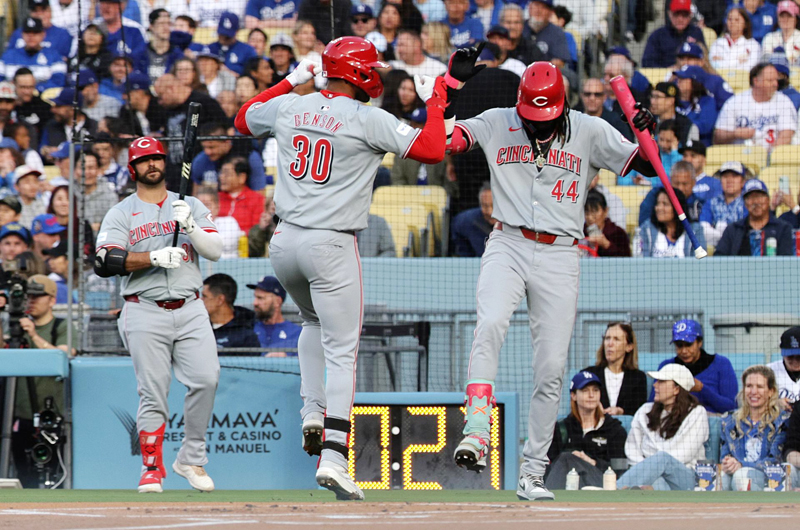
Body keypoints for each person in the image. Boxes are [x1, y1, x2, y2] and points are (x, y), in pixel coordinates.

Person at [234, 35, 450, 500]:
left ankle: (312, 410)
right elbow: (433, 149)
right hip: (331, 243)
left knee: (311, 321)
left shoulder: (293, 105)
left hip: (284, 242)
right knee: (343, 350)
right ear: (362, 74)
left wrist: (289, 81)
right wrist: (436, 100)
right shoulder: (367, 117)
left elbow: (242, 118)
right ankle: (334, 455)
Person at [446, 59, 658, 501]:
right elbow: (440, 140)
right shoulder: (496, 121)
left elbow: (646, 166)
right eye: (531, 116)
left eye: (546, 116)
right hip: (506, 240)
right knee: (490, 325)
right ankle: (477, 429)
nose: (538, 125)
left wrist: (643, 129)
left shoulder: (589, 129)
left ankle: (533, 471)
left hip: (561, 250)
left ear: (561, 106)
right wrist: (448, 85)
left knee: (551, 368)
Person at [93, 136, 223, 494]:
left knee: (207, 379)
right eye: (143, 160)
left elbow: (216, 250)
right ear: (133, 168)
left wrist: (192, 227)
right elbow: (104, 261)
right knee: (153, 392)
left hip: (191, 305)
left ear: (165, 164)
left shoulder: (190, 204)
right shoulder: (121, 211)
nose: (151, 164)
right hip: (143, 309)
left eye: (156, 158)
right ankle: (151, 468)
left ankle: (191, 458)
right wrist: (152, 258)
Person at [617, 364, 709, 490]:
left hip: (685, 478)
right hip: (651, 477)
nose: (655, 385)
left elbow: (683, 455)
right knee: (657, 483)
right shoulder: (644, 411)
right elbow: (632, 449)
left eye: (661, 381)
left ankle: (613, 490)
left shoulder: (697, 413)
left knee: (663, 458)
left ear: (677, 389)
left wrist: (652, 464)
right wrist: (650, 472)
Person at [544, 371, 628, 490]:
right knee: (566, 459)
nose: (591, 395)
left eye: (595, 390)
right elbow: (550, 467)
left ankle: (547, 500)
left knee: (567, 457)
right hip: (568, 484)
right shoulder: (561, 429)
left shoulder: (614, 429)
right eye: (585, 391)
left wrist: (590, 461)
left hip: (601, 483)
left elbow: (619, 470)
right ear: (573, 395)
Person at [720, 366, 790, 491]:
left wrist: (741, 465)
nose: (753, 391)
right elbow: (725, 454)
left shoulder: (782, 421)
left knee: (741, 476)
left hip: (768, 477)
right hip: (736, 474)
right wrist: (727, 463)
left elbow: (775, 460)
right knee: (721, 477)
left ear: (771, 391)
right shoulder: (729, 420)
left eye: (759, 387)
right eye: (749, 386)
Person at [651, 319, 738, 414]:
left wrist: (702, 389)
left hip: (711, 421)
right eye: (679, 346)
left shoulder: (721, 364)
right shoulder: (667, 367)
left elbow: (731, 408)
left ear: (699, 342)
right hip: (673, 420)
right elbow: (652, 403)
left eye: (689, 345)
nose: (684, 351)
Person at [715, 63, 797, 149]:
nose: (775, 84)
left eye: (776, 80)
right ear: (756, 81)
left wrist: (770, 156)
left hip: (772, 156)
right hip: (739, 156)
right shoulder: (734, 103)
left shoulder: (784, 101)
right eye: (770, 81)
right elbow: (718, 138)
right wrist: (734, 134)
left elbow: (786, 135)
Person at [716, 178, 795, 256]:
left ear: (768, 200)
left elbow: (786, 261)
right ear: (745, 203)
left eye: (760, 196)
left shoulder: (783, 228)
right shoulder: (733, 229)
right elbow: (718, 258)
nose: (756, 202)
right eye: (751, 198)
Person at [583, 322, 647, 415]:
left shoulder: (638, 377)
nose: (610, 344)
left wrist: (622, 412)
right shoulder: (589, 374)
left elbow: (639, 412)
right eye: (607, 338)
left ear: (629, 347)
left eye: (616, 339)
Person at [190, 121, 268, 192]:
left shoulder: (251, 157)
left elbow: (259, 193)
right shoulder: (199, 161)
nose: (207, 152)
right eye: (204, 147)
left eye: (212, 147)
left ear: (226, 142)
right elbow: (196, 194)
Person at [0, 17, 66, 91]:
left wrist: (34, 90)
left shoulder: (54, 56)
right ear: (22, 34)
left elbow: (58, 82)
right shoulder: (8, 56)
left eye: (35, 32)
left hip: (43, 99)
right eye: (27, 32)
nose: (31, 36)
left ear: (43, 34)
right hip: (13, 99)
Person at [640, 188, 706, 258]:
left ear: (677, 208)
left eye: (665, 204)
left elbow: (700, 262)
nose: (659, 208)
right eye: (657, 203)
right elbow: (641, 261)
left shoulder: (695, 230)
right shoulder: (646, 229)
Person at [202, 273, 260, 351]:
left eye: (204, 296)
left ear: (220, 300)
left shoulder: (246, 333)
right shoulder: (198, 327)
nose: (200, 300)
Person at [641, 0, 705, 68]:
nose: (680, 19)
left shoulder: (696, 32)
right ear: (669, 14)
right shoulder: (658, 35)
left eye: (684, 15)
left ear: (690, 16)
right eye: (676, 14)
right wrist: (667, 71)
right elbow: (647, 62)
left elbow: (704, 58)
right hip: (664, 76)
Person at [248, 275, 302, 355]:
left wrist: (285, 360)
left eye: (260, 298)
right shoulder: (249, 329)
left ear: (277, 301)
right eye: (255, 297)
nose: (255, 303)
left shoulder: (297, 333)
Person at [699, 161, 748, 247]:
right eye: (725, 176)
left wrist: (718, 230)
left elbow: (745, 231)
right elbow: (703, 229)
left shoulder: (748, 202)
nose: (729, 180)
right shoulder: (711, 202)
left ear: (743, 181)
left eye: (734, 176)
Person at [638, 160, 701, 225]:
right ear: (670, 181)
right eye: (677, 183)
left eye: (685, 184)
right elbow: (643, 224)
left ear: (693, 183)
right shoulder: (655, 196)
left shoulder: (698, 203)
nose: (680, 188)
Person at [217, 156, 266, 234]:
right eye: (221, 173)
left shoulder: (257, 200)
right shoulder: (215, 198)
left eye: (227, 174)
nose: (221, 177)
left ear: (242, 177)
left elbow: (257, 231)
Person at [672, 66, 717, 146]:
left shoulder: (707, 100)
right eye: (678, 78)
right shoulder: (671, 99)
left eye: (682, 79)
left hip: (700, 146)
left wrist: (679, 126)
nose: (678, 81)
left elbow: (705, 126)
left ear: (694, 82)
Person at [196, 186, 243, 259]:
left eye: (207, 205)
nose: (202, 209)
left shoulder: (229, 222)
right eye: (199, 205)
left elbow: (223, 245)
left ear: (217, 207)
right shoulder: (189, 226)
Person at [521, 0, 570, 70]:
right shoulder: (519, 28)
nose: (538, 10)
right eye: (536, 5)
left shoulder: (557, 32)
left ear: (550, 12)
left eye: (544, 7)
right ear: (529, 6)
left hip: (546, 75)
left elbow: (559, 62)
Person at [451, 182, 494, 257]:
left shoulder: (514, 224)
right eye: (485, 206)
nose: (490, 212)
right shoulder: (464, 222)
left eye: (493, 206)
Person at [650, 81, 699, 148]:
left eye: (657, 97)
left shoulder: (688, 126)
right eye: (652, 96)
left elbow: (690, 154)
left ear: (671, 100)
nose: (652, 101)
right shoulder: (648, 122)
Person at [582, 190, 630, 257]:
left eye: (594, 212)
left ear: (605, 211)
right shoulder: (579, 233)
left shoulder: (618, 233)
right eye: (587, 212)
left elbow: (627, 260)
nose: (590, 217)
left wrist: (606, 244)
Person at [681, 140, 722, 207]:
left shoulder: (714, 183)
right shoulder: (675, 183)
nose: (688, 160)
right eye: (685, 156)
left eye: (693, 156)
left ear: (704, 160)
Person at [768, 327, 800, 409]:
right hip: (776, 420)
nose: (795, 360)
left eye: (799, 357)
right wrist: (774, 403)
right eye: (790, 356)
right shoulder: (768, 371)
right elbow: (749, 401)